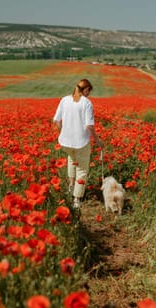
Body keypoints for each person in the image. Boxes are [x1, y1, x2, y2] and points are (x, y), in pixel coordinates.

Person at [53, 78, 103, 209]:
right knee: (81, 169)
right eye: (88, 91)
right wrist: (98, 141)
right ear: (85, 89)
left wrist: (64, 131)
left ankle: (71, 187)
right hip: (81, 142)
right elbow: (89, 127)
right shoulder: (86, 103)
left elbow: (57, 120)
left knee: (71, 159)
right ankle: (77, 199)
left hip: (65, 141)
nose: (88, 94)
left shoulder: (64, 100)